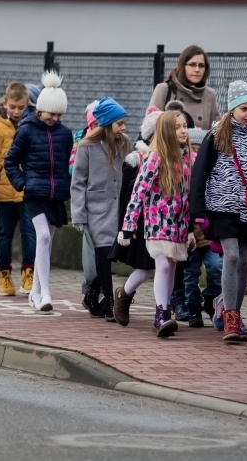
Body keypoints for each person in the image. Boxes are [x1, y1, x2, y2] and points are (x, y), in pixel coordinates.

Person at [191, 80, 247, 342]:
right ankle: (231, 315)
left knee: (245, 261)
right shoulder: (216, 135)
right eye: (244, 109)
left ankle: (231, 308)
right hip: (222, 206)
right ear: (232, 108)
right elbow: (200, 173)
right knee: (233, 256)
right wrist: (198, 211)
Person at [117, 110, 195, 336]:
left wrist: (190, 230)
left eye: (184, 126)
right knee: (160, 265)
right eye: (177, 127)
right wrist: (128, 226)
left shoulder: (187, 158)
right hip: (156, 222)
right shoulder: (155, 157)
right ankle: (161, 315)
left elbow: (187, 197)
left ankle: (134, 297)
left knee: (169, 267)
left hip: (178, 224)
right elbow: (138, 192)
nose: (183, 131)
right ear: (166, 131)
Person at [4, 71, 73, 312]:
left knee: (47, 243)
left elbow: (65, 164)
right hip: (34, 194)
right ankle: (45, 293)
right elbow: (10, 161)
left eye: (59, 114)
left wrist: (65, 185)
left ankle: (34, 293)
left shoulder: (65, 135)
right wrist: (22, 183)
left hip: (55, 196)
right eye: (50, 113)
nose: (54, 118)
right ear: (40, 109)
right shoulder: (26, 130)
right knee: (42, 237)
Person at [71, 97, 131, 321]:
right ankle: (110, 305)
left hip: (118, 209)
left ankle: (93, 294)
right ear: (107, 123)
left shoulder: (124, 143)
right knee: (104, 254)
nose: (124, 128)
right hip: (95, 209)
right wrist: (79, 215)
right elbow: (77, 182)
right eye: (119, 123)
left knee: (111, 254)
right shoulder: (86, 146)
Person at [0, 83, 37, 296]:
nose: (16, 111)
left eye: (21, 107)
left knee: (30, 232)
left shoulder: (32, 124)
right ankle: (3, 274)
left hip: (27, 189)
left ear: (28, 105)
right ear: (5, 103)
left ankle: (28, 273)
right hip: (3, 190)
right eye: (13, 106)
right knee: (4, 234)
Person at [111, 106, 163, 327]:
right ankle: (123, 294)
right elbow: (128, 197)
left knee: (165, 266)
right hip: (142, 223)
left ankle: (164, 312)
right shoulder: (137, 160)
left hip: (165, 222)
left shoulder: (177, 158)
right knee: (146, 268)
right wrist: (127, 227)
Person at [181, 125, 222, 327]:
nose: (196, 153)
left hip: (209, 234)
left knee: (216, 267)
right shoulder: (184, 174)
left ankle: (210, 298)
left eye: (200, 148)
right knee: (190, 272)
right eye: (192, 148)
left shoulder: (213, 172)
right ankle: (193, 305)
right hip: (190, 236)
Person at [68, 100, 102, 314]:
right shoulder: (82, 141)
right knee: (90, 256)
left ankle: (100, 293)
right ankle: (90, 291)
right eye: (95, 123)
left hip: (109, 207)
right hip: (90, 206)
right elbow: (75, 172)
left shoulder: (116, 141)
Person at [149, 45, 219, 131]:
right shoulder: (164, 89)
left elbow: (216, 132)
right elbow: (151, 128)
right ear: (183, 66)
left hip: (201, 144)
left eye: (201, 65)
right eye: (192, 65)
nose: (197, 69)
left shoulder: (210, 94)